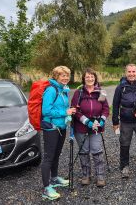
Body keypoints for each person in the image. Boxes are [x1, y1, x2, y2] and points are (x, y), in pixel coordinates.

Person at [41, 66, 76, 200]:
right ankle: (46, 188)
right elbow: (46, 111)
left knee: (56, 154)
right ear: (56, 76)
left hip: (61, 127)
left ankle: (54, 179)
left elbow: (62, 106)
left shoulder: (64, 90)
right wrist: (64, 113)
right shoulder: (51, 90)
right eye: (62, 75)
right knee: (48, 157)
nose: (65, 78)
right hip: (51, 127)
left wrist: (69, 111)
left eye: (67, 75)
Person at [71, 68, 109, 187]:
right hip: (81, 127)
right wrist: (86, 121)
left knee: (97, 151)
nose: (90, 79)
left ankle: (100, 176)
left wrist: (102, 120)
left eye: (92, 76)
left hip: (96, 126)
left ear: (95, 78)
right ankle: (86, 175)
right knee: (84, 151)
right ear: (83, 78)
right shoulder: (79, 92)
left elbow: (106, 108)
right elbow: (74, 110)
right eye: (87, 77)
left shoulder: (100, 92)